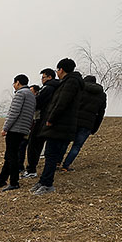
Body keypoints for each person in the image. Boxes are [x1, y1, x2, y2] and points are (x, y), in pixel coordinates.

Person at [30, 58, 84, 195]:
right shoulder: (68, 82)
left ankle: (47, 184)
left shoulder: (70, 82)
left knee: (51, 155)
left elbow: (61, 103)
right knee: (50, 154)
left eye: (57, 70)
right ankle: (43, 181)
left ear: (61, 70)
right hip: (61, 125)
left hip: (60, 125)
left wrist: (51, 119)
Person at [0, 74, 36, 191]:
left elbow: (13, 113)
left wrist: (5, 128)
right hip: (24, 129)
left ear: (18, 82)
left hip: (15, 129)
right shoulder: (31, 95)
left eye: (14, 84)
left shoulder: (20, 94)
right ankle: (2, 180)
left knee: (12, 156)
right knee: (10, 155)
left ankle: (14, 182)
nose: (14, 86)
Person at [60, 75, 107, 171]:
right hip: (87, 124)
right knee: (77, 146)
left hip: (73, 121)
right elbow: (101, 113)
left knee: (65, 141)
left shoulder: (79, 89)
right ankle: (66, 166)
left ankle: (57, 162)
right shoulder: (102, 95)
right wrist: (95, 128)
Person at [21, 68, 60, 179]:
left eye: (43, 77)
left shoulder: (48, 88)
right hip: (48, 120)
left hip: (41, 120)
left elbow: (37, 103)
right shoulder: (58, 87)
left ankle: (31, 170)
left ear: (49, 77)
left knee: (33, 145)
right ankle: (32, 169)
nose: (42, 79)